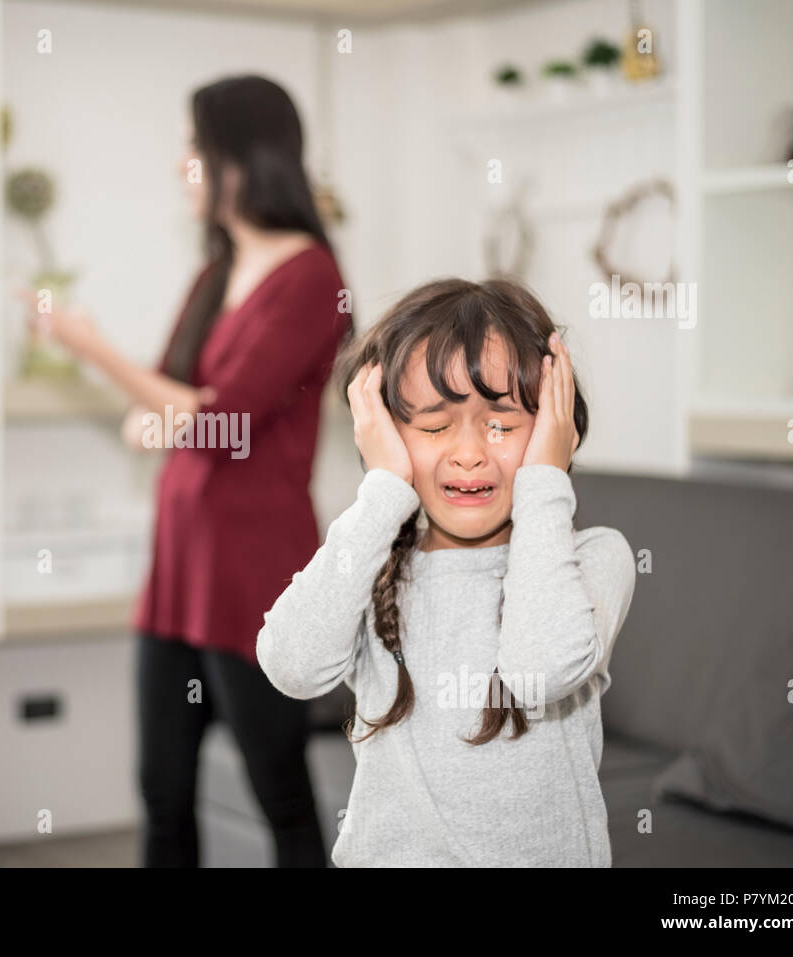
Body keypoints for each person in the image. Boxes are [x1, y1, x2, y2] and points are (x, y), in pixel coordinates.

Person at [26, 75, 350, 867]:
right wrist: (163, 409)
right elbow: (170, 396)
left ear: (242, 157)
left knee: (279, 789)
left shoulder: (311, 277)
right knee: (162, 790)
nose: (183, 168)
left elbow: (215, 419)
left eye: (192, 149)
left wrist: (92, 348)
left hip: (253, 576)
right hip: (178, 569)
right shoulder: (216, 271)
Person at [257, 277, 638, 866]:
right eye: (434, 427)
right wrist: (383, 488)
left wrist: (543, 483)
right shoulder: (371, 565)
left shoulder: (594, 557)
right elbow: (292, 665)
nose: (469, 453)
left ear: (558, 434)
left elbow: (540, 671)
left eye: (504, 426)